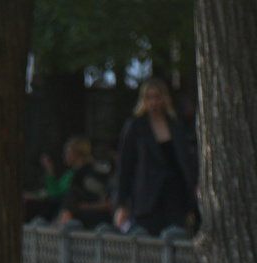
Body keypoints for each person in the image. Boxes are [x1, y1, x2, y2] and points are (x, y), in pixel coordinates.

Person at [113, 77, 198, 238]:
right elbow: (125, 166)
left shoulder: (176, 125)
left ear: (165, 98)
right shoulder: (135, 127)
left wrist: (190, 199)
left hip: (174, 194)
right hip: (147, 196)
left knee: (176, 236)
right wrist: (121, 204)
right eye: (149, 97)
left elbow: (184, 162)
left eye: (157, 96)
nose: (154, 102)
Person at [46, 135, 113, 228]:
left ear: (76, 154)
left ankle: (61, 221)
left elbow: (105, 201)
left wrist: (83, 206)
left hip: (95, 213)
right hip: (81, 208)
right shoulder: (75, 173)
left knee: (71, 193)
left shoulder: (89, 172)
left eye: (67, 152)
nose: (64, 156)